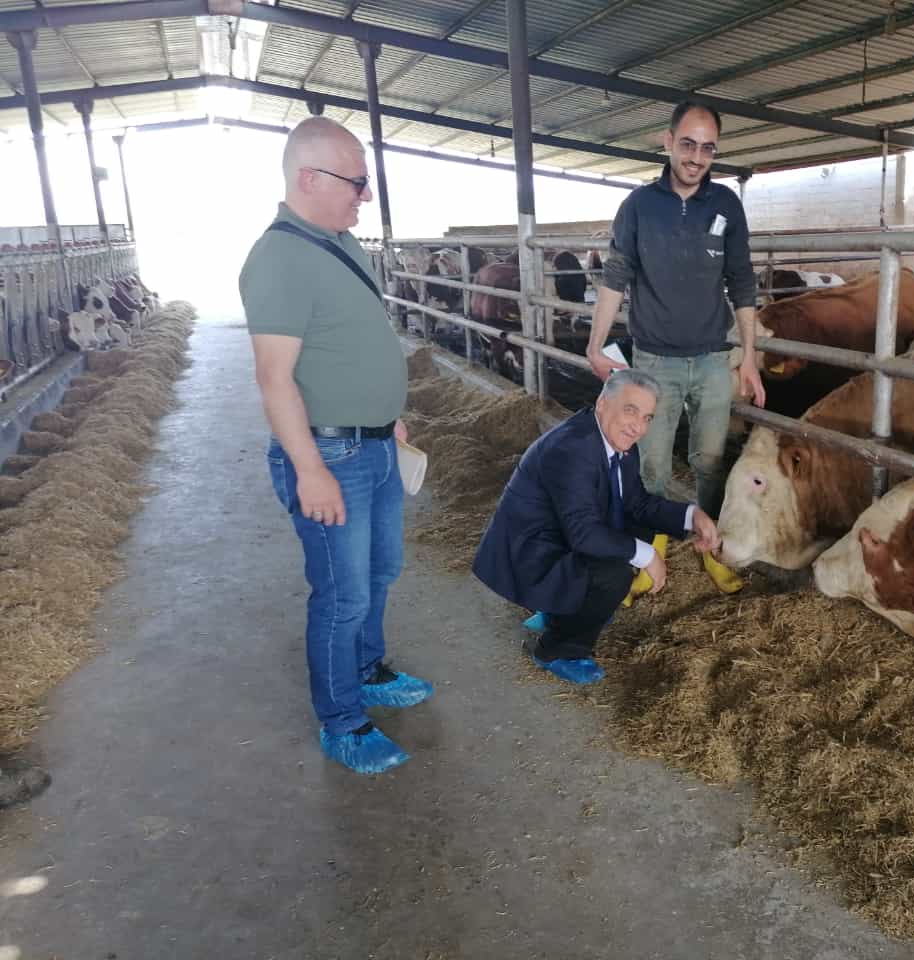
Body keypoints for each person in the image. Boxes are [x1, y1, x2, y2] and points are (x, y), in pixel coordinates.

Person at [240, 116, 432, 775]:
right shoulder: (279, 259)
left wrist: (385, 419)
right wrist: (309, 470)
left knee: (381, 573)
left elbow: (346, 343)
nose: (364, 195)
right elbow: (274, 379)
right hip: (331, 461)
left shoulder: (340, 242)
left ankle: (367, 667)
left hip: (373, 447)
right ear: (309, 179)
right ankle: (342, 722)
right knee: (341, 595)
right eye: (356, 182)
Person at [585, 101, 765, 593]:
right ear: (667, 142)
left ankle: (712, 547)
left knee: (710, 460)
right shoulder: (640, 206)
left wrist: (748, 356)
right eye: (688, 144)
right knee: (652, 466)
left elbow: (743, 282)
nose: (697, 156)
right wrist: (595, 344)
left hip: (712, 358)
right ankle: (651, 552)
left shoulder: (726, 205)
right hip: (654, 361)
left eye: (708, 148)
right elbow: (615, 277)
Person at [472, 369, 721, 684]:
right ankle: (556, 649)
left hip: (557, 534)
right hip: (526, 553)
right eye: (631, 411)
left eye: (647, 417)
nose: (639, 426)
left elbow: (637, 503)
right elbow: (584, 534)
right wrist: (647, 556)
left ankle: (561, 608)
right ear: (602, 403)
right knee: (612, 574)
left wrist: (692, 515)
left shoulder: (614, 439)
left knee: (637, 530)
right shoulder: (573, 448)